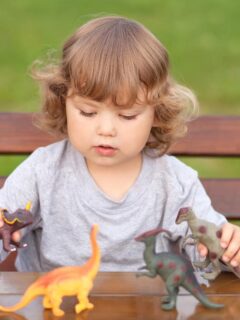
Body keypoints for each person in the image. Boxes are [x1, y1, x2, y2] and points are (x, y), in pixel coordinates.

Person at [0, 15, 240, 272]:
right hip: (54, 309)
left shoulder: (176, 184)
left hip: (146, 311)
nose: (106, 130)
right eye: (88, 112)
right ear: (64, 103)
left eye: (127, 116)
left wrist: (228, 249)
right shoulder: (41, 173)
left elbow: (214, 258)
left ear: (157, 113)